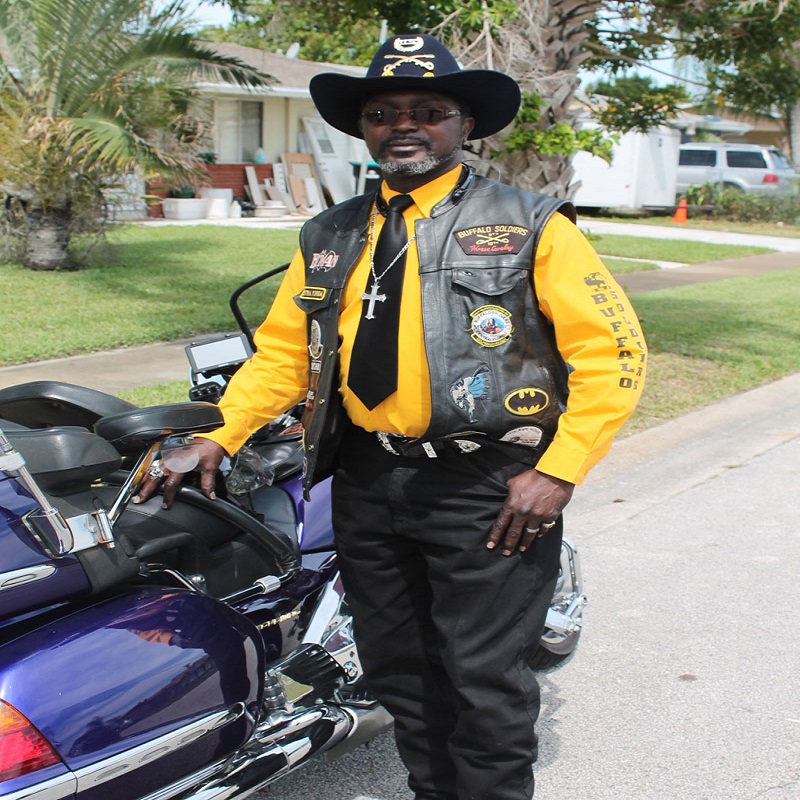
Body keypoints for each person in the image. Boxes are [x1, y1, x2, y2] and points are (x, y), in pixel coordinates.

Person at [136, 33, 647, 800]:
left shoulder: (532, 224)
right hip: (370, 480)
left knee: (482, 679)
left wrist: (557, 471)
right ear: (364, 127)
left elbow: (614, 356)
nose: (404, 125)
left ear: (463, 124)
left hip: (491, 485)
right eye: (384, 112)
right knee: (398, 667)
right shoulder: (331, 235)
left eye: (428, 110)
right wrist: (219, 431)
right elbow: (285, 355)